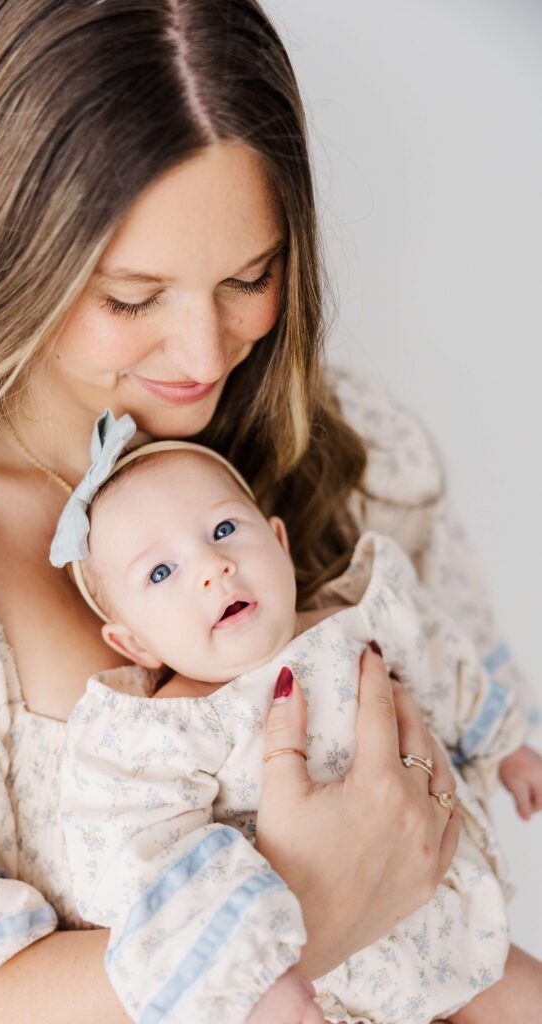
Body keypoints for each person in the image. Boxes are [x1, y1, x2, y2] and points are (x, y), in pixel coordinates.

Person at [0, 1, 535, 1021]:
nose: (202, 354)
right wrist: (298, 907)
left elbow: (453, 784)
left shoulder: (347, 453)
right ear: (10, 250)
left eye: (248, 277)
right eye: (132, 298)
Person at [55, 412, 542, 1024]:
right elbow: (138, 862)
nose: (213, 566)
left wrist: (505, 745)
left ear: (279, 543)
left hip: (444, 930)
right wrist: (249, 972)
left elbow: (445, 664)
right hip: (326, 983)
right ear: (134, 645)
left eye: (225, 528)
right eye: (161, 572)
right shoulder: (166, 730)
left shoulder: (360, 618)